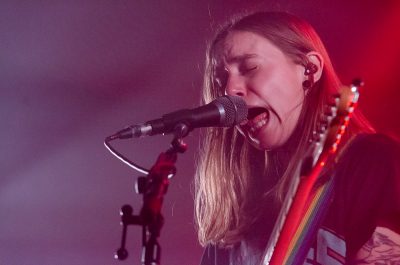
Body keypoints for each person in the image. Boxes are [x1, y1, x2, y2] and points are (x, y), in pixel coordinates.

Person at [194, 11, 400, 265]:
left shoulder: (372, 163)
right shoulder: (234, 214)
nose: (229, 90)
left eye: (250, 67)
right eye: (221, 80)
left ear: (309, 70)